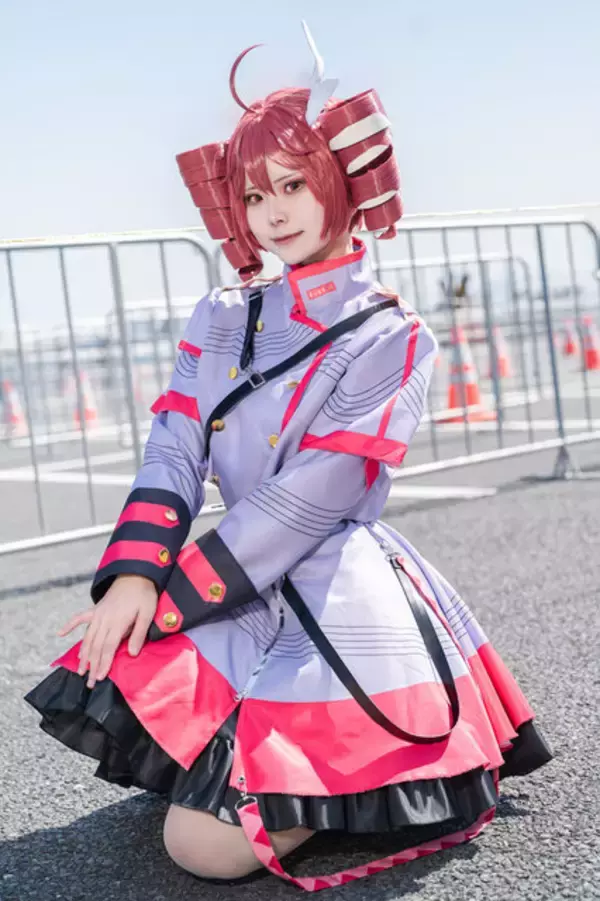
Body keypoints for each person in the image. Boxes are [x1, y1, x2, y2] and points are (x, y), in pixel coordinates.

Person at [25, 25, 552, 892]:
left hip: (334, 583)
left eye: (294, 183)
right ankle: (285, 781)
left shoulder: (394, 335)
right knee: (134, 689)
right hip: (235, 575)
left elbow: (311, 499)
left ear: (342, 178)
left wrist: (170, 599)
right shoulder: (220, 314)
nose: (273, 211)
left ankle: (348, 788)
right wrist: (133, 575)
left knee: (203, 847)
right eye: (254, 192)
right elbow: (174, 446)